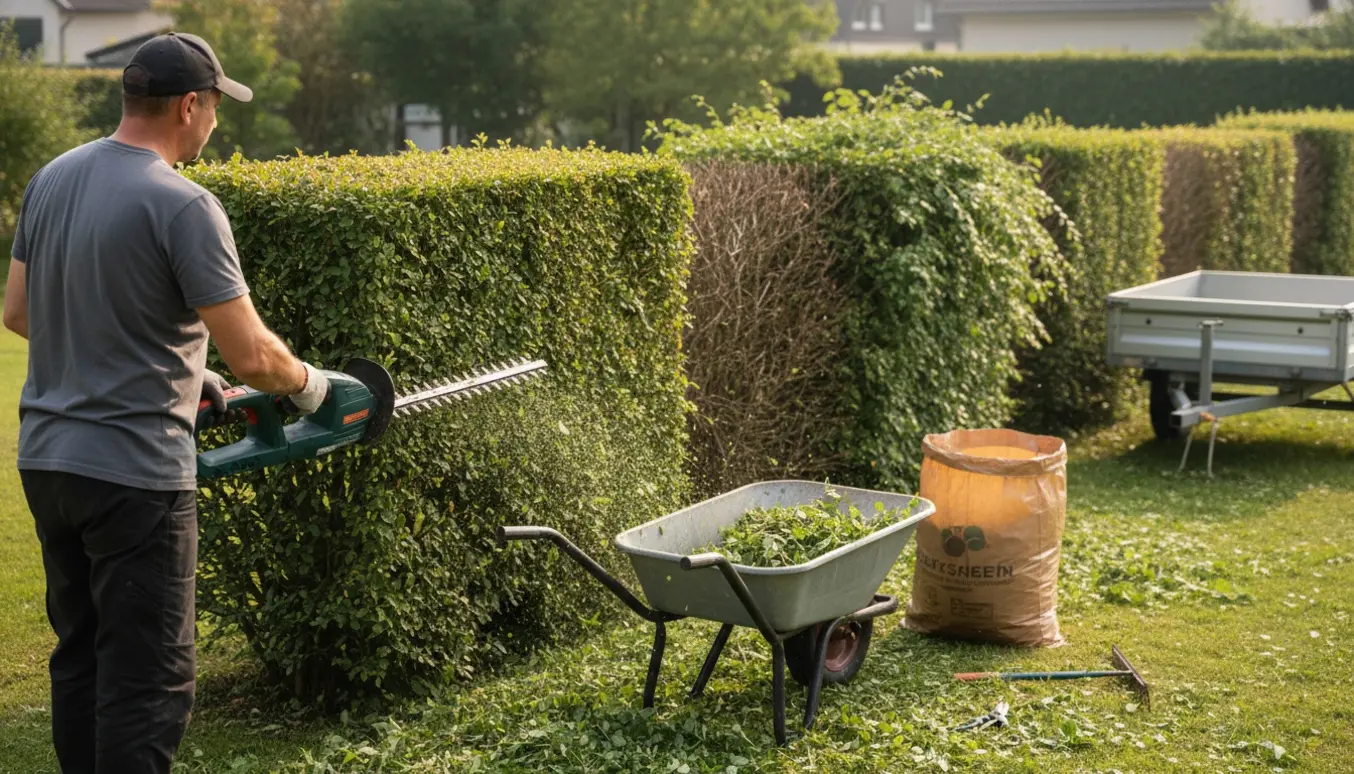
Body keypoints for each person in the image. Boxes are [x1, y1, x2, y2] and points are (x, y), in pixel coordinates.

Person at [1, 32, 330, 773]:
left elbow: (18, 311)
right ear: (190, 106)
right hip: (133, 479)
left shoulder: (51, 177)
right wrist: (311, 386)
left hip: (49, 465)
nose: (216, 120)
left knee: (81, 662)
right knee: (146, 684)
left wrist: (181, 372)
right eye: (215, 105)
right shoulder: (185, 205)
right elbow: (254, 357)